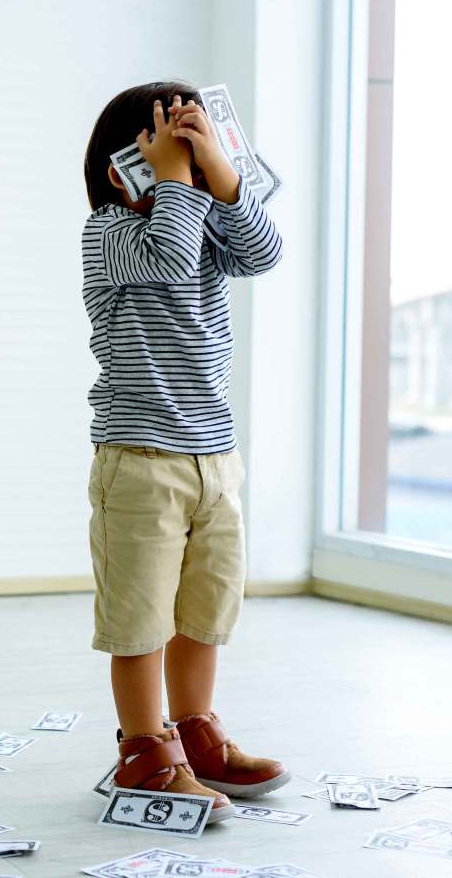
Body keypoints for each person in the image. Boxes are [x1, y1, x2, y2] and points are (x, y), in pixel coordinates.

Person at [81, 80, 289, 823]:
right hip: (140, 462)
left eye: (199, 156)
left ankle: (195, 735)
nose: (190, 178)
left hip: (214, 458)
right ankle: (145, 751)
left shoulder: (198, 221)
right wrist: (173, 176)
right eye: (176, 157)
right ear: (122, 169)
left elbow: (264, 252)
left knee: (203, 611)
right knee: (141, 618)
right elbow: (168, 256)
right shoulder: (112, 235)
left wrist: (221, 177)